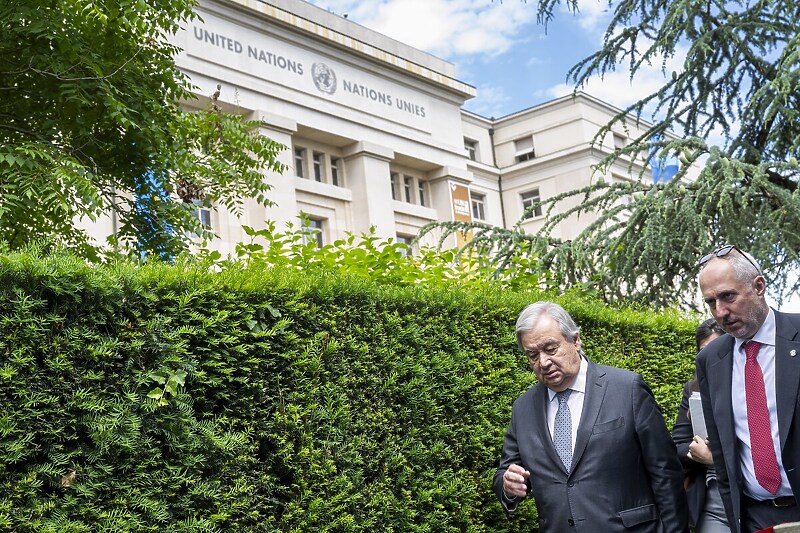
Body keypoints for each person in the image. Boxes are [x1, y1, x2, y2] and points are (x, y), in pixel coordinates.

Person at [493, 301, 688, 532]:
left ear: (575, 341)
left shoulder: (627, 388)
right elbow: (505, 471)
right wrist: (507, 485)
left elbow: (665, 473)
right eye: (533, 355)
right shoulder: (523, 408)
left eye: (550, 348)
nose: (543, 362)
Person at [696, 245, 800, 532]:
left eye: (728, 296)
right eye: (711, 302)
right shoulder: (710, 360)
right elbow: (722, 448)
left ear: (759, 286)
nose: (721, 312)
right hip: (754, 518)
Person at [672, 318, 730, 532]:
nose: (708, 357)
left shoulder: (749, 383)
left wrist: (716, 459)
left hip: (754, 495)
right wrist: (695, 452)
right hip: (713, 499)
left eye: (715, 348)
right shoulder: (693, 389)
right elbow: (677, 445)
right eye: (703, 351)